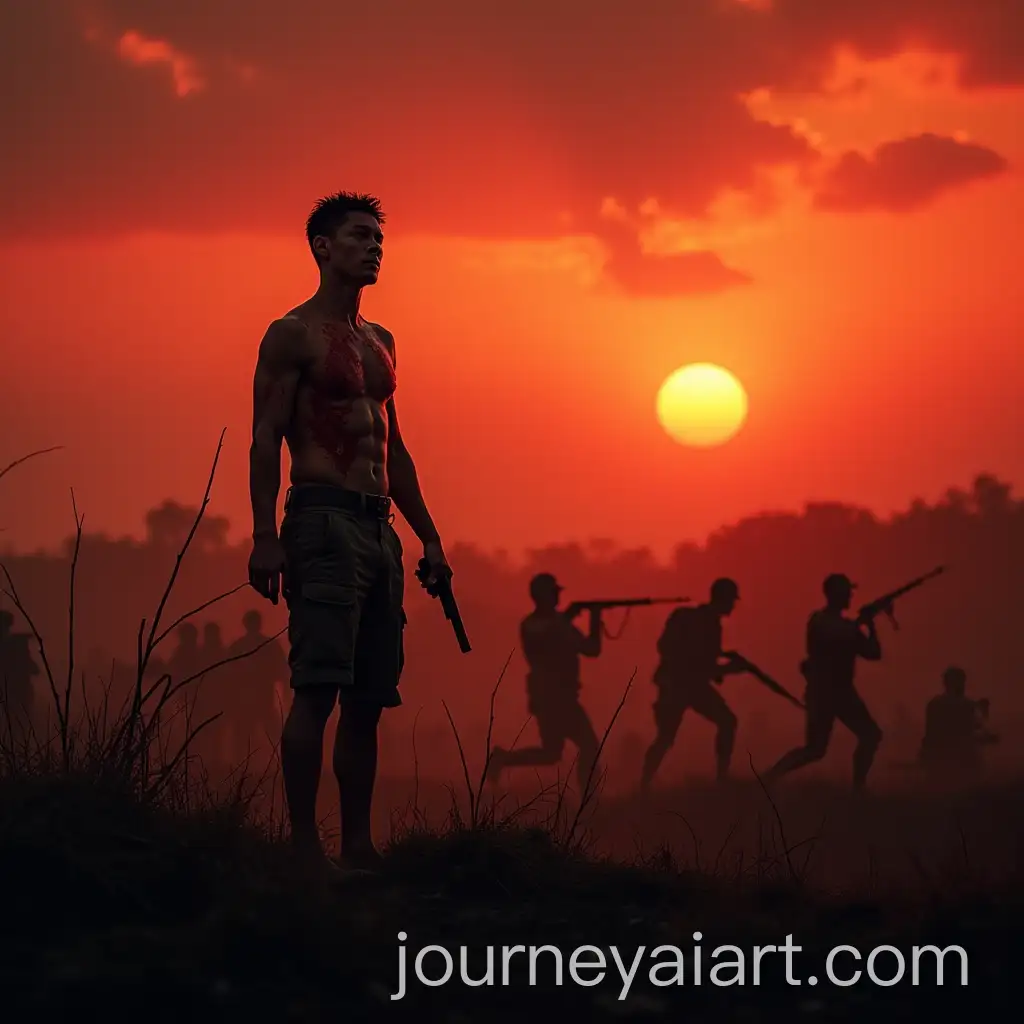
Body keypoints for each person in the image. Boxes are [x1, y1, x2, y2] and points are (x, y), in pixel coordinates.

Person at [247, 191, 451, 872]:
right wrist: (263, 536)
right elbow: (265, 437)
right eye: (360, 237)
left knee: (369, 698)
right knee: (318, 688)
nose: (374, 248)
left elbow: (395, 446)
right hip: (321, 520)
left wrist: (429, 537)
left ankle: (359, 847)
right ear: (323, 248)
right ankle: (306, 847)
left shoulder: (381, 341)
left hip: (378, 528)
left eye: (379, 240)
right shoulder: (292, 333)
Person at [487, 573, 603, 795]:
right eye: (553, 593)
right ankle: (589, 798)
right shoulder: (532, 625)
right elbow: (544, 642)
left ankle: (502, 758)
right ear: (543, 596)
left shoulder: (559, 623)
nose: (557, 598)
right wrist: (566, 620)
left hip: (560, 696)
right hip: (552, 697)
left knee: (551, 753)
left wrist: (594, 619)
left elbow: (592, 649)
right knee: (588, 746)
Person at [765, 573, 883, 790]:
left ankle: (858, 787)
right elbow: (859, 645)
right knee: (816, 749)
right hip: (828, 692)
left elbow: (873, 653)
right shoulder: (823, 622)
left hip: (836, 692)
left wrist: (869, 625)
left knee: (868, 736)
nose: (851, 596)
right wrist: (864, 626)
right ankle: (769, 778)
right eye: (847, 592)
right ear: (837, 594)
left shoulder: (833, 624)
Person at [640, 578, 744, 790]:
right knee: (665, 738)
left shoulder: (704, 622)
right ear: (723, 600)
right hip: (677, 687)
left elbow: (706, 664)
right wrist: (730, 669)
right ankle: (643, 786)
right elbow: (701, 665)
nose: (733, 606)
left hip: (688, 686)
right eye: (731, 600)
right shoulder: (699, 621)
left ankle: (721, 779)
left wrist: (723, 664)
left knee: (726, 722)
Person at [918, 665, 998, 785]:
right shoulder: (965, 706)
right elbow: (963, 735)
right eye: (961, 682)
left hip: (942, 764)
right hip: (960, 764)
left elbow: (930, 736)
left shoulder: (935, 705)